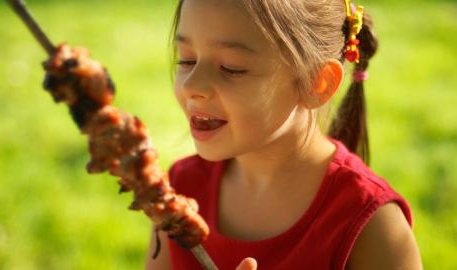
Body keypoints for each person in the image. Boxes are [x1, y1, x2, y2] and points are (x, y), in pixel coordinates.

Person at [146, 0, 422, 269]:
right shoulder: (180, 188)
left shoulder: (371, 224)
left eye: (231, 68)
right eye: (187, 59)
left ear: (317, 83)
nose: (193, 84)